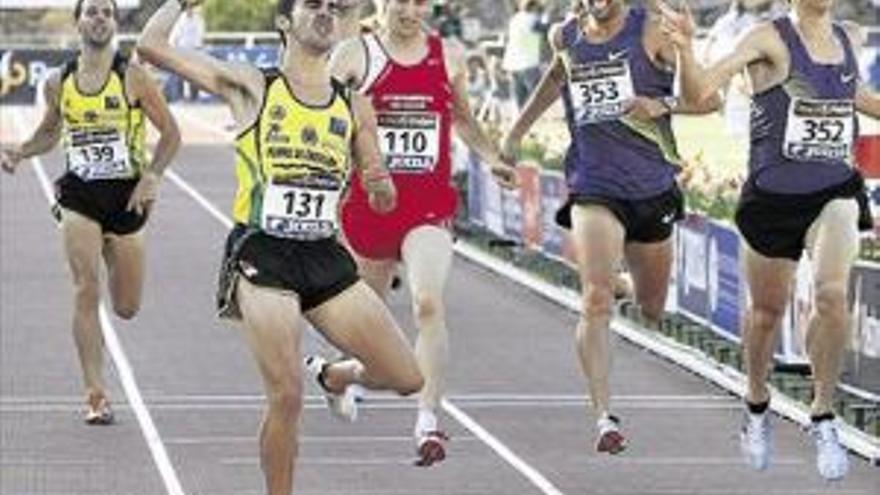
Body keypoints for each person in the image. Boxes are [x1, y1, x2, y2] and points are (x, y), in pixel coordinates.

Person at [137, 1, 424, 494]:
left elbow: (380, 190)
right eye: (313, 4)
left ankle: (334, 376)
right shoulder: (254, 85)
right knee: (286, 396)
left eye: (334, 7)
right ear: (284, 22)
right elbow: (152, 47)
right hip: (262, 251)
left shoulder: (353, 104)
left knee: (407, 377)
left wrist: (380, 185)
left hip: (321, 253)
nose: (326, 13)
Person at [659, 0, 879, 481]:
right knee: (765, 315)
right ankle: (756, 403)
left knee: (832, 295)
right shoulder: (767, 38)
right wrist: (686, 50)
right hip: (772, 198)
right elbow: (698, 95)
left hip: (835, 190)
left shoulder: (849, 38)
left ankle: (822, 415)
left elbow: (851, 94)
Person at [500, 0, 719, 455]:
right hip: (593, 183)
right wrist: (517, 130)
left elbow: (709, 100)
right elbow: (556, 76)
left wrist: (660, 102)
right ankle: (604, 416)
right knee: (594, 299)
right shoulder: (566, 35)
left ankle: (622, 283)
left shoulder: (654, 28)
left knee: (652, 308)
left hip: (651, 186)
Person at [330, 0, 517, 467]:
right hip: (369, 207)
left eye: (419, 2)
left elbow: (464, 119)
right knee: (368, 340)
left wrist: (492, 158)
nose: (410, 10)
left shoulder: (447, 55)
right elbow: (324, 123)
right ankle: (338, 375)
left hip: (428, 209)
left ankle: (428, 420)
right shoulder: (354, 55)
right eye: (401, 1)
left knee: (427, 303)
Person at [0, 0, 180, 425]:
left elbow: (170, 133)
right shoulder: (58, 82)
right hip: (79, 194)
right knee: (85, 288)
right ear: (77, 21)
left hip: (127, 197)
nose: (99, 18)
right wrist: (21, 151)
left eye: (107, 12)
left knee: (126, 306)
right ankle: (95, 393)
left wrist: (152, 175)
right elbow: (49, 133)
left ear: (115, 24)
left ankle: (118, 252)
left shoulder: (132, 77)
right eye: (92, 11)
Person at [503, 0, 550, 109]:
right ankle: (540, 119)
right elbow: (545, 29)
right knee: (537, 96)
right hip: (528, 63)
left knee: (520, 99)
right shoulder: (531, 19)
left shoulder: (515, 18)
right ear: (533, 7)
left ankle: (520, 120)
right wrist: (546, 15)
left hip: (512, 63)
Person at [169, 3, 205, 101]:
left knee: (194, 74)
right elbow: (175, 34)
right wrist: (172, 46)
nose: (190, 10)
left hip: (193, 50)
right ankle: (183, 96)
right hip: (182, 50)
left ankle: (194, 95)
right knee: (182, 74)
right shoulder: (181, 19)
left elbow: (200, 34)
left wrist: (198, 48)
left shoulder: (198, 19)